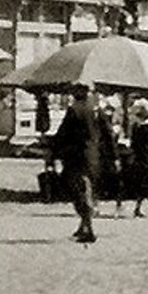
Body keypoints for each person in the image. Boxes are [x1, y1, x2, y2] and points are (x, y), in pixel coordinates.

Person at [50, 82, 101, 243]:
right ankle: (84, 226)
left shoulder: (74, 110)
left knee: (77, 191)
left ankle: (89, 228)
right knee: (85, 188)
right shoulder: (93, 110)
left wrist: (54, 149)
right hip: (91, 156)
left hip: (76, 156)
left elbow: (64, 133)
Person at [126, 97, 148, 217]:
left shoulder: (137, 129)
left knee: (141, 183)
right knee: (147, 183)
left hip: (139, 158)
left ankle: (143, 207)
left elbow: (133, 144)